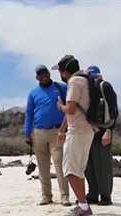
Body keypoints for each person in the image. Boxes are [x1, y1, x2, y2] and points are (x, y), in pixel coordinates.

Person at [52, 55, 95, 216]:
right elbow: (77, 108)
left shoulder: (74, 82)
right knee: (79, 170)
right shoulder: (86, 79)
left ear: (64, 71)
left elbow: (70, 109)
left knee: (70, 170)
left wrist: (60, 106)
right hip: (88, 129)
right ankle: (82, 204)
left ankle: (83, 207)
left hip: (77, 130)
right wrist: (62, 129)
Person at [25, 65, 71, 206]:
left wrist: (66, 128)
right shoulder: (33, 93)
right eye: (40, 74)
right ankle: (46, 196)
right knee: (42, 166)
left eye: (45, 73)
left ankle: (64, 196)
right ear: (36, 77)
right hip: (38, 133)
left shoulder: (61, 87)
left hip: (57, 131)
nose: (43, 76)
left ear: (49, 73)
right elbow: (29, 113)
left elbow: (70, 107)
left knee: (59, 164)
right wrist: (27, 133)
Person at [85, 65, 118, 206]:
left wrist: (109, 131)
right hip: (89, 131)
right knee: (89, 165)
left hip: (103, 131)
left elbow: (114, 110)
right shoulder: (88, 90)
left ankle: (105, 196)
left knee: (103, 166)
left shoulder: (105, 86)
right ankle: (92, 194)